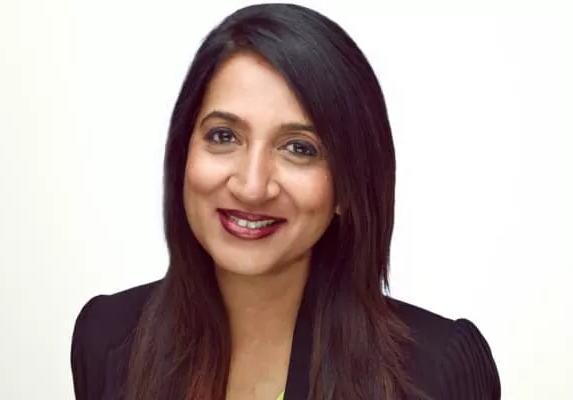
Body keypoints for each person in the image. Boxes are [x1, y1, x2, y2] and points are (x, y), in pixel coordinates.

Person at [70, 3, 500, 400]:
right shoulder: (106, 338)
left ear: (348, 186)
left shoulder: (438, 370)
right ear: (184, 154)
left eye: (299, 147)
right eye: (223, 136)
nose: (252, 186)